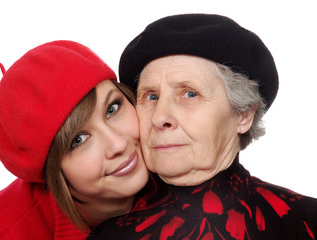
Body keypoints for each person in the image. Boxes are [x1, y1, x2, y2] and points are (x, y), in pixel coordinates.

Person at [87, 14, 317, 239]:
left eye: (189, 94)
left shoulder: (306, 220)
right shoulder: (110, 234)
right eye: (151, 96)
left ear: (244, 114)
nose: (159, 117)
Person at [0, 40, 166, 239]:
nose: (118, 144)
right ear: (53, 172)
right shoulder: (3, 232)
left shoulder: (177, 158)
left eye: (112, 109)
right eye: (78, 140)